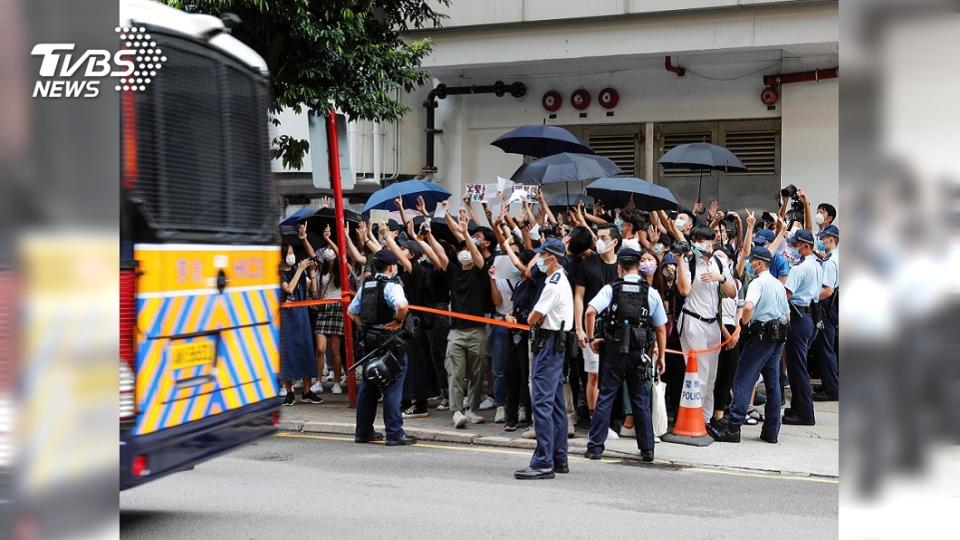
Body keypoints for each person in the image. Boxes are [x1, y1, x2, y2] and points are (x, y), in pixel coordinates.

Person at [583, 248, 668, 462]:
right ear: (638, 266)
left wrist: (592, 338)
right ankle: (647, 449)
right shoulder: (651, 292)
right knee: (640, 399)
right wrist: (662, 355)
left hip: (613, 350)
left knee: (606, 397)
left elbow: (590, 311)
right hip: (640, 353)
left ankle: (595, 447)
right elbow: (660, 328)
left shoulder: (611, 289)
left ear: (619, 267)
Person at [707, 246, 789, 444]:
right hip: (778, 337)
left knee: (743, 378)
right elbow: (787, 314)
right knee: (773, 384)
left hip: (760, 336)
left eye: (752, 261)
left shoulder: (757, 283)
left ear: (759, 263)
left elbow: (749, 306)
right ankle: (771, 431)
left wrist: (744, 324)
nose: (750, 265)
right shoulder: (778, 284)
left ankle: (733, 427)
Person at [515, 238, 574, 480]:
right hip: (556, 342)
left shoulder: (554, 283)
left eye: (542, 255)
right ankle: (558, 457)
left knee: (542, 402)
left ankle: (543, 461)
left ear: (552, 259)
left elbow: (534, 316)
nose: (539, 259)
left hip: (548, 343)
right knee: (557, 404)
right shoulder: (560, 279)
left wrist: (529, 318)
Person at [347, 249, 417, 446]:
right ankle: (394, 433)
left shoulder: (366, 285)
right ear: (391, 267)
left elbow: (351, 312)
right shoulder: (392, 286)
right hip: (390, 342)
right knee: (392, 386)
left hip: (369, 342)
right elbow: (403, 307)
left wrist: (364, 325)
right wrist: (396, 321)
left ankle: (363, 432)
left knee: (369, 385)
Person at [676, 226, 737, 424]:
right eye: (701, 241)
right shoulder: (687, 261)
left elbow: (732, 293)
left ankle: (707, 419)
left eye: (709, 240)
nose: (706, 245)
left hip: (713, 324)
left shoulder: (718, 261)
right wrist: (679, 260)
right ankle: (694, 421)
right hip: (694, 321)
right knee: (699, 374)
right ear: (693, 241)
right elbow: (684, 291)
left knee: (711, 375)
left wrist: (722, 278)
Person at [573, 224, 620, 427]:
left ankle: (610, 419)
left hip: (617, 329)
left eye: (603, 237)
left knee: (611, 377)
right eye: (597, 237)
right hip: (592, 328)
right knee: (593, 375)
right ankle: (596, 421)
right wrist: (579, 328)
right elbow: (578, 297)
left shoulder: (623, 265)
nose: (598, 241)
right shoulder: (588, 263)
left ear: (614, 242)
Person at [782, 229, 824, 425]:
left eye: (796, 244)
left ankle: (805, 413)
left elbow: (786, 294)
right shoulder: (816, 265)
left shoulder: (800, 269)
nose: (793, 247)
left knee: (797, 368)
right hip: (808, 317)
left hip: (799, 318)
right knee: (798, 365)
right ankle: (798, 408)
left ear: (805, 246)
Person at [279, 241, 322, 406]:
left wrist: (311, 274)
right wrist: (300, 270)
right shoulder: (279, 273)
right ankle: (289, 392)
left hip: (302, 316)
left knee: (305, 351)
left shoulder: (299, 271)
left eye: (292, 251)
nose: (292, 255)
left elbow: (313, 292)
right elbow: (289, 289)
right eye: (289, 252)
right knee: (288, 353)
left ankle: (307, 390)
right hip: (286, 318)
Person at [310, 225, 346, 395]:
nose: (328, 251)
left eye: (330, 248)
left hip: (337, 307)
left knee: (335, 349)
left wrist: (328, 239)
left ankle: (337, 382)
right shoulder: (322, 269)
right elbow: (317, 290)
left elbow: (339, 252)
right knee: (321, 348)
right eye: (326, 249)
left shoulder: (341, 266)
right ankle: (318, 381)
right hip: (324, 307)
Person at [812, 225, 840, 401]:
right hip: (835, 306)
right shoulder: (837, 256)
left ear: (830, 239)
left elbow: (827, 290)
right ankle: (830, 382)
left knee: (825, 347)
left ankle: (831, 389)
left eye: (822, 239)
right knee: (829, 346)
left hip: (827, 305)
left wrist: (812, 298)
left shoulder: (830, 261)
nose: (821, 241)